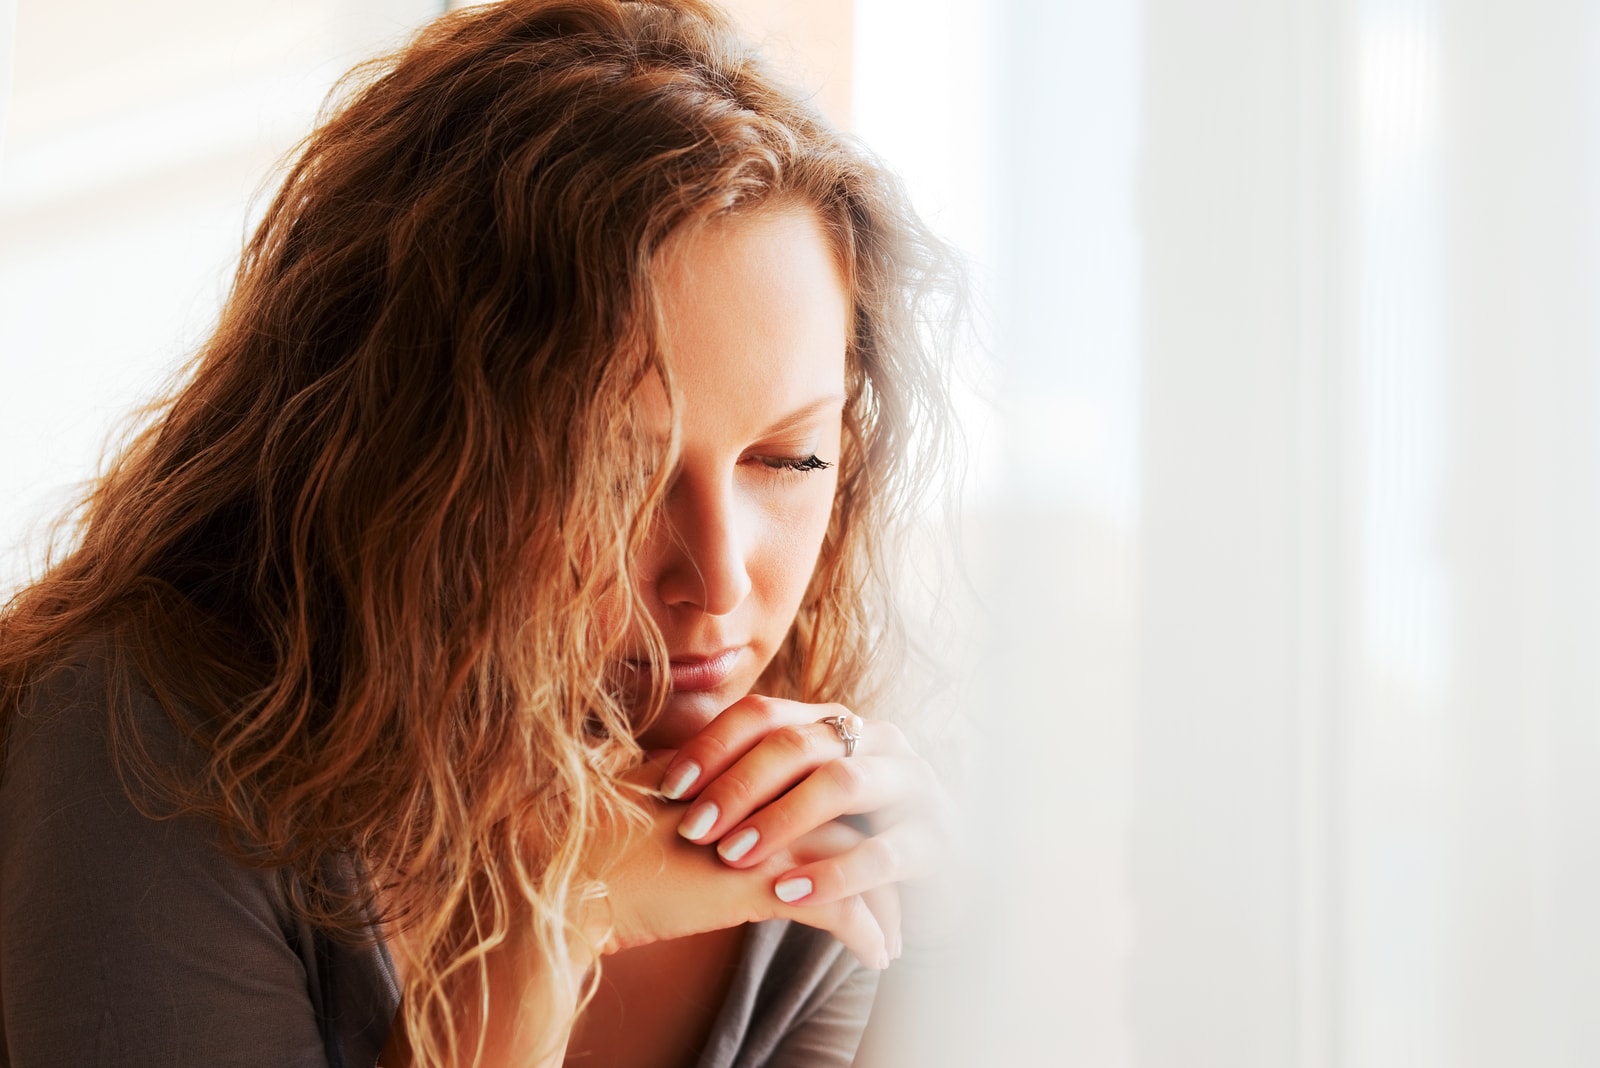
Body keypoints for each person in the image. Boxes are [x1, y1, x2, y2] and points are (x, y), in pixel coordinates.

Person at [0, 1, 959, 1065]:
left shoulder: (809, 818)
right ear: (406, 448)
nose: (721, 582)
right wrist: (548, 931)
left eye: (791, 462)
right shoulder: (154, 747)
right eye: (611, 471)